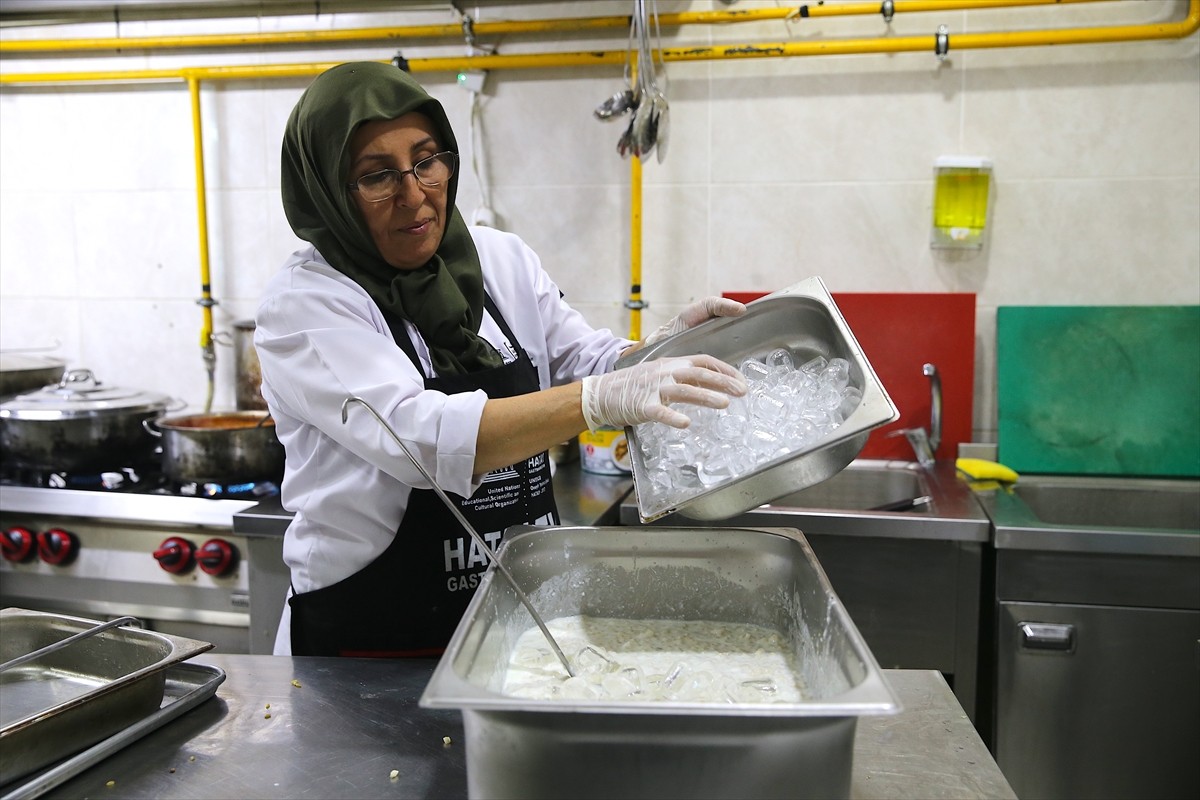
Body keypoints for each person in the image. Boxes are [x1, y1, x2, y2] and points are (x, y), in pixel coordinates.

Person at [255, 61, 748, 657]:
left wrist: (661, 349)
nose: (415, 195)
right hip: (368, 646)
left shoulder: (499, 259)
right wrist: (598, 402)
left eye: (426, 160)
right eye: (378, 175)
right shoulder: (307, 304)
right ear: (329, 190)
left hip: (516, 621)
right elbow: (422, 441)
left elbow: (584, 358)